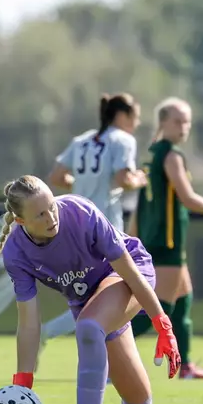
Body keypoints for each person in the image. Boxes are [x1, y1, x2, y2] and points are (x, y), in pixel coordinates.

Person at [0, 175, 180, 404]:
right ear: (21, 222)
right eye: (40, 215)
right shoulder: (16, 253)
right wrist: (23, 380)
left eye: (51, 206)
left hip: (129, 276)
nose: (51, 217)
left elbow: (130, 273)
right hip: (88, 299)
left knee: (90, 327)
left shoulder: (81, 213)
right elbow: (30, 322)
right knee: (136, 399)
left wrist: (162, 325)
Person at [130, 97, 203, 379]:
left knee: (182, 300)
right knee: (158, 311)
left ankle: (186, 365)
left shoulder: (152, 155)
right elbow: (188, 199)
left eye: (187, 121)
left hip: (155, 241)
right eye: (178, 120)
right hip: (167, 244)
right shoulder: (170, 156)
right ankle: (109, 351)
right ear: (163, 122)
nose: (184, 126)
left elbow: (140, 205)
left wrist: (132, 238)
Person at [42, 93, 147, 343]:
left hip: (76, 223)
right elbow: (124, 180)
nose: (137, 123)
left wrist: (81, 185)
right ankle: (48, 332)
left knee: (96, 297)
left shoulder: (81, 141)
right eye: (136, 117)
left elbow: (56, 177)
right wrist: (141, 179)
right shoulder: (123, 140)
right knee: (117, 293)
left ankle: (50, 333)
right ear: (122, 115)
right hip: (106, 226)